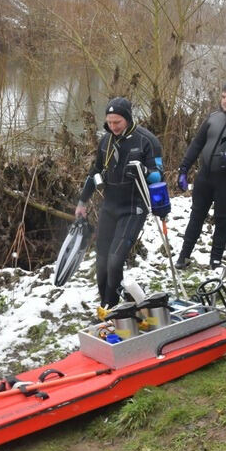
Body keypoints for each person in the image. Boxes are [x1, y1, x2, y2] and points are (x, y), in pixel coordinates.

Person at [74, 97, 166, 310]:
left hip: (134, 208)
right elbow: (94, 171)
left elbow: (158, 175)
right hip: (110, 206)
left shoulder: (147, 141)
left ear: (128, 118)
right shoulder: (106, 140)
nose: (113, 127)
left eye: (118, 122)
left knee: (116, 260)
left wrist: (143, 171)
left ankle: (112, 306)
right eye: (109, 122)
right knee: (102, 260)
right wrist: (82, 201)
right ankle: (107, 303)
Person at [174, 78, 226, 270]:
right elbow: (197, 144)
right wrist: (183, 169)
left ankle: (215, 260)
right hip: (204, 177)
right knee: (196, 216)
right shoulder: (213, 117)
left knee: (222, 221)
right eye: (223, 96)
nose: (225, 101)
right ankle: (183, 256)